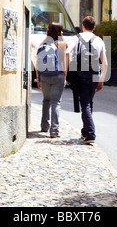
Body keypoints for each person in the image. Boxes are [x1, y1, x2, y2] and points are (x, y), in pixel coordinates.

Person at [69, 16, 108, 145]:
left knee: (85, 104)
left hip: (82, 75)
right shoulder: (99, 41)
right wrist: (101, 80)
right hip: (95, 75)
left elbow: (68, 52)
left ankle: (90, 133)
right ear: (94, 27)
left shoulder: (76, 38)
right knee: (89, 103)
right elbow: (105, 64)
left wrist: (68, 72)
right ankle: (85, 131)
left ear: (83, 25)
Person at [36, 23, 69, 138]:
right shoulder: (60, 44)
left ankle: (44, 126)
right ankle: (54, 130)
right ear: (60, 32)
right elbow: (65, 57)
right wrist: (65, 76)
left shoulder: (44, 44)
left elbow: (37, 60)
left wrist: (38, 78)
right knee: (56, 102)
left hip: (44, 76)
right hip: (58, 75)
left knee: (46, 100)